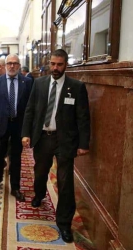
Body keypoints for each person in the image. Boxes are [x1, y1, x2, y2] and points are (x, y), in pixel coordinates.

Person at [21, 49, 90, 243]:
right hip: (43, 137)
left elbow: (83, 117)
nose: (55, 68)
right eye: (53, 64)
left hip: (65, 140)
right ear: (49, 63)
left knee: (65, 181)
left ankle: (64, 223)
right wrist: (26, 133)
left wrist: (84, 143)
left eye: (59, 64)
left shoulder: (76, 87)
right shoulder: (40, 84)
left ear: (66, 64)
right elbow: (30, 110)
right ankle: (39, 194)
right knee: (40, 171)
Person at [0, 54, 32, 201]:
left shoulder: (26, 82)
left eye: (15, 63)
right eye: (9, 63)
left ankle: (15, 187)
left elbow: (29, 107)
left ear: (19, 65)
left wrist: (28, 129)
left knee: (16, 157)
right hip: (1, 124)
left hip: (18, 125)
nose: (12, 66)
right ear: (5, 65)